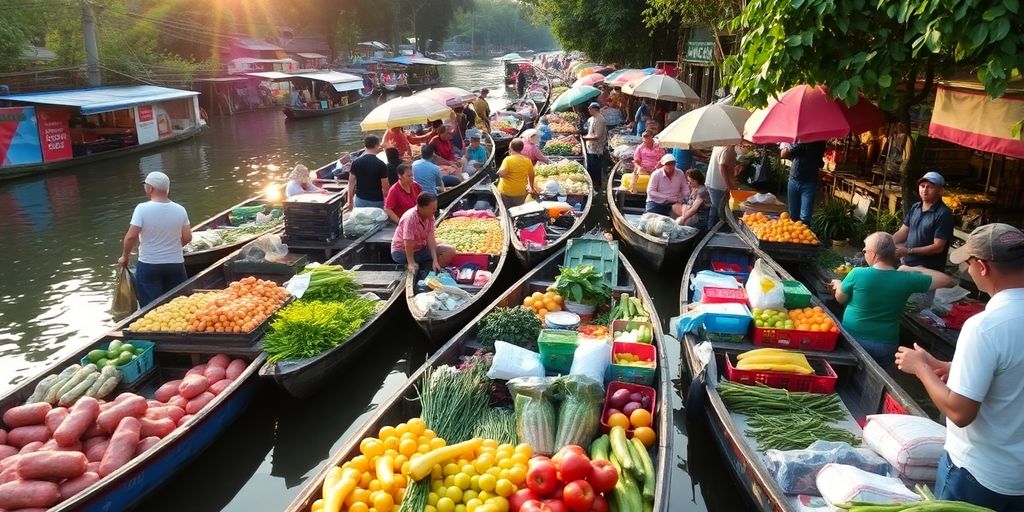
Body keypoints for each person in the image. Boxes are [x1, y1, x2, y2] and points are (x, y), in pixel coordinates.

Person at [895, 223, 1024, 510]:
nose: (967, 271)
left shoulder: (985, 327)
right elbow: (1012, 369)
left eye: (968, 264)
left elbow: (959, 412)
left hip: (978, 475)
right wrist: (951, 366)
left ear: (982, 266)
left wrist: (922, 369)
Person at [829, 232, 954, 367]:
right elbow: (947, 281)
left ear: (874, 254)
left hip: (853, 338)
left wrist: (838, 284)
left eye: (865, 250)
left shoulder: (857, 273)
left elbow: (840, 298)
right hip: (885, 344)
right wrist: (913, 269)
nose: (864, 254)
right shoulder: (906, 279)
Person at [119, 172, 191, 307]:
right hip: (175, 264)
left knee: (152, 307)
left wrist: (125, 256)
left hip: (149, 265)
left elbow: (131, 237)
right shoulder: (180, 210)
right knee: (179, 305)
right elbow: (187, 237)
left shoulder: (142, 209)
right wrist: (172, 248)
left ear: (151, 188)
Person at [893, 171, 955, 271]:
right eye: (922, 186)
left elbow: (938, 247)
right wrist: (886, 242)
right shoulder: (915, 207)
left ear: (941, 191)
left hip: (928, 269)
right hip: (908, 264)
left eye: (930, 187)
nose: (924, 190)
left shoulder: (943, 214)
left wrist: (908, 251)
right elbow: (903, 231)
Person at [391, 192, 456, 272]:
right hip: (402, 252)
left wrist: (435, 260)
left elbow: (430, 237)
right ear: (421, 207)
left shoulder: (430, 217)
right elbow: (408, 242)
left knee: (450, 251)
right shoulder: (411, 218)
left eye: (435, 208)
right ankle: (421, 268)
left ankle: (432, 272)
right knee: (415, 266)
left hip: (420, 248)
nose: (435, 210)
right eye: (432, 208)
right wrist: (411, 263)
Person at [779, 140, 827, 225]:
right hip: (794, 179)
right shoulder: (800, 142)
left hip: (809, 182)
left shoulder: (820, 142)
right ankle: (794, 235)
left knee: (805, 218)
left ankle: (803, 235)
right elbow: (784, 154)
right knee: (794, 215)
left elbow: (820, 162)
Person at [346, 135, 389, 210]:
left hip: (360, 199)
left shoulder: (356, 162)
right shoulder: (381, 164)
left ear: (365, 145)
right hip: (377, 201)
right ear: (377, 145)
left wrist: (350, 201)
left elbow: (351, 183)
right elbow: (385, 189)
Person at [496, 138, 536, 209]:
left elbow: (502, 174)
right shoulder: (527, 161)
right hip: (520, 192)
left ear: (510, 147)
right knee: (517, 212)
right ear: (521, 148)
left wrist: (498, 172)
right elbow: (531, 175)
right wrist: (531, 187)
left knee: (506, 211)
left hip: (506, 191)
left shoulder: (508, 160)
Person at [706, 144, 740, 227]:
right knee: (717, 209)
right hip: (718, 184)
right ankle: (712, 229)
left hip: (712, 181)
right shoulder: (729, 148)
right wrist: (728, 184)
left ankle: (713, 228)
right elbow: (722, 166)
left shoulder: (719, 144)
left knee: (716, 207)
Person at [581, 102, 607, 187]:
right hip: (590, 146)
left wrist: (585, 138)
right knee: (591, 166)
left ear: (594, 109)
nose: (588, 110)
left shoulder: (599, 119)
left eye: (590, 109)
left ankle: (596, 184)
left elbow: (597, 136)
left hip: (596, 148)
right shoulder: (592, 118)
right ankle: (592, 183)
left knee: (595, 166)